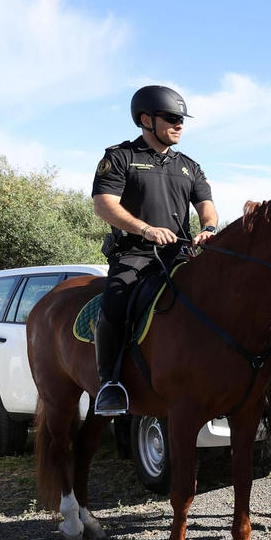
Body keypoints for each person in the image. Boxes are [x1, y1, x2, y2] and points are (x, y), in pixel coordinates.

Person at [90, 85, 217, 416]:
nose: (179, 125)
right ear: (146, 119)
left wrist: (208, 228)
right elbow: (104, 205)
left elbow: (207, 205)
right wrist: (144, 229)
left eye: (182, 120)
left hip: (179, 256)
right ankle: (109, 384)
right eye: (172, 118)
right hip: (135, 254)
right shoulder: (120, 157)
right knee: (116, 302)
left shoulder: (189, 165)